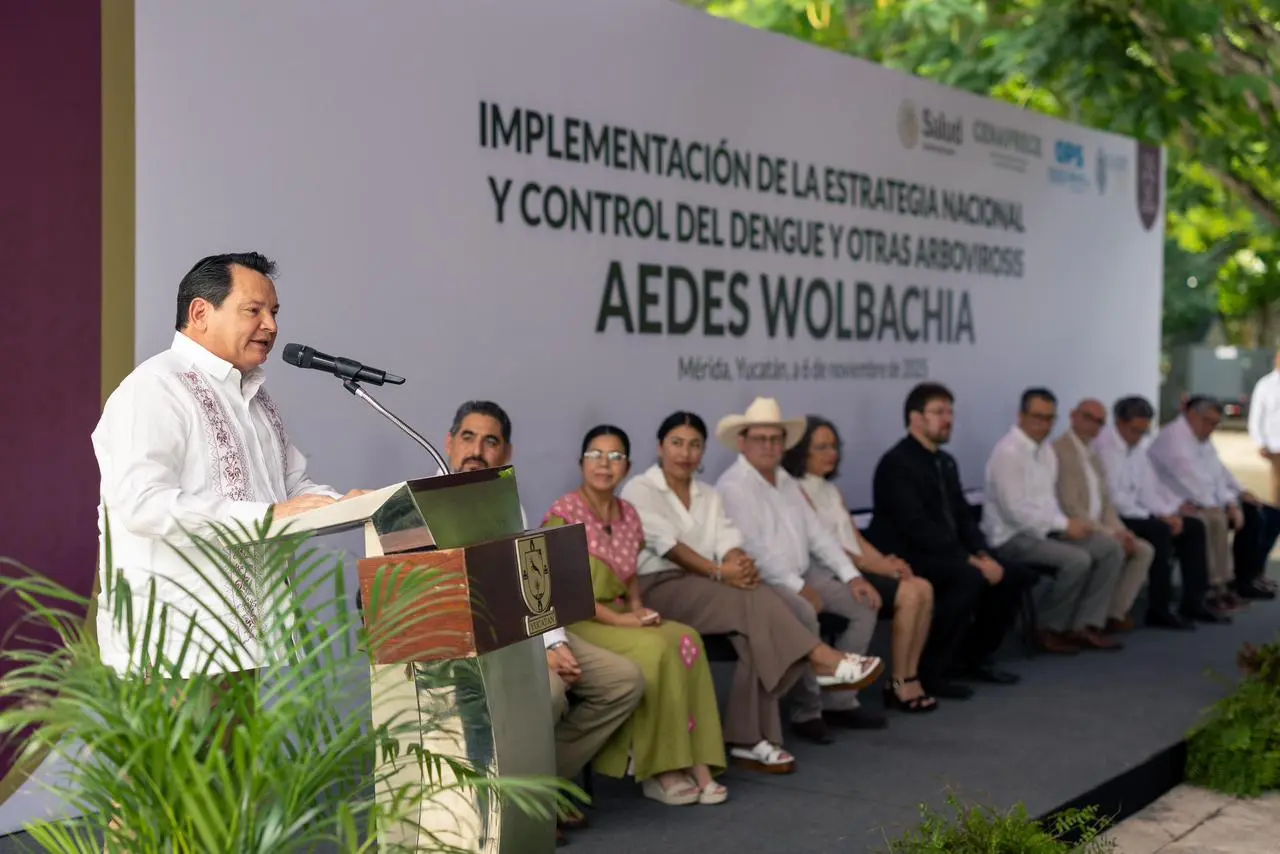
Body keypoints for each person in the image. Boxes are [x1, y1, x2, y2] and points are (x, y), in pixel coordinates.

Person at [93, 251, 363, 680]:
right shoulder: (153, 388)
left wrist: (349, 504)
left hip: (241, 646)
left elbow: (291, 488)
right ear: (200, 313)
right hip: (174, 651)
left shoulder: (255, 397)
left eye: (274, 312)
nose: (271, 326)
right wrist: (268, 517)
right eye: (254, 311)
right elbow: (143, 504)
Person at [621, 412, 880, 774]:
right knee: (756, 599)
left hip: (709, 585)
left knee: (758, 626)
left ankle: (748, 740)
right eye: (676, 443)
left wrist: (736, 562)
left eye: (695, 445)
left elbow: (728, 538)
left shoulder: (708, 494)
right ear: (660, 447)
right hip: (661, 586)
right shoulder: (640, 489)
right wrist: (720, 571)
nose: (685, 453)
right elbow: (668, 546)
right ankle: (823, 658)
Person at [443, 401, 644, 839]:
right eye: (468, 437)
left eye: (491, 441)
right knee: (548, 693)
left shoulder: (505, 503)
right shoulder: (423, 503)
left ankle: (539, 789)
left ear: (506, 453)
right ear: (450, 443)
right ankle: (525, 806)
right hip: (470, 645)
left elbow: (533, 585)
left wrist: (554, 644)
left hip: (525, 634)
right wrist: (540, 653)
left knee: (624, 681)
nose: (477, 450)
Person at [543, 425, 727, 807]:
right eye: (595, 455)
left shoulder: (629, 514)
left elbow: (630, 579)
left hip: (618, 616)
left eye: (615, 457)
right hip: (580, 619)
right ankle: (658, 768)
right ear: (581, 463)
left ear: (627, 467)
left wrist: (637, 609)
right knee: (655, 648)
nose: (604, 464)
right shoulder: (564, 513)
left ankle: (698, 760)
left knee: (686, 637)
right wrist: (622, 621)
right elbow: (560, 591)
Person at [715, 397, 887, 745]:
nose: (769, 446)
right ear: (743, 442)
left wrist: (851, 575)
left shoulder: (786, 480)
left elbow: (818, 534)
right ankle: (808, 711)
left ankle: (839, 700)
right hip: (765, 582)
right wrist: (797, 586)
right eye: (760, 439)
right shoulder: (732, 486)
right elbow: (753, 550)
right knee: (805, 613)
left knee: (863, 604)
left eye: (775, 439)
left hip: (805, 573)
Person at [867, 382, 1035, 692]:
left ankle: (972, 657)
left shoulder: (946, 462)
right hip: (910, 557)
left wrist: (982, 554)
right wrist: (969, 560)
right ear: (916, 418)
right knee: (967, 578)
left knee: (1012, 575)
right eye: (939, 412)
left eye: (950, 412)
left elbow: (963, 518)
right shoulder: (897, 464)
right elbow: (916, 528)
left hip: (948, 553)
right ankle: (931, 670)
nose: (948, 419)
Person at [782, 416, 939, 712]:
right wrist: (875, 567)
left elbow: (855, 538)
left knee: (923, 587)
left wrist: (885, 561)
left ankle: (906, 677)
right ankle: (893, 685)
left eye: (834, 446)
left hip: (856, 567)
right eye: (821, 447)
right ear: (801, 452)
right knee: (909, 593)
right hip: (831, 572)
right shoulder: (796, 491)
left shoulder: (832, 491)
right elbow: (826, 546)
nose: (832, 453)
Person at [981, 388, 1125, 654]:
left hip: (1044, 531)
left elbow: (1049, 503)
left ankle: (1084, 625)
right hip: (1011, 537)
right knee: (1077, 560)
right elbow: (1016, 513)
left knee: (1109, 549)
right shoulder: (1008, 453)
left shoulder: (1046, 450)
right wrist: (1063, 526)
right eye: (1037, 417)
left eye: (1049, 418)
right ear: (1021, 416)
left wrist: (1065, 526)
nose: (1044, 424)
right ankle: (1046, 628)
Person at [1092, 395, 1223, 628]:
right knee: (1160, 531)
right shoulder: (1103, 448)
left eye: (1144, 431)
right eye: (1135, 430)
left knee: (1193, 526)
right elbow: (1115, 500)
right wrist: (1157, 517)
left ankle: (1194, 602)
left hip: (1138, 512)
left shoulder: (1138, 446)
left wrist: (1169, 513)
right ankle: (1159, 609)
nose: (1139, 436)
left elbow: (1148, 489)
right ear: (1120, 422)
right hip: (1114, 517)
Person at [1148, 395, 1280, 604]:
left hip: (1201, 500)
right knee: (1216, 519)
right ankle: (1216, 585)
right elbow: (1195, 483)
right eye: (1208, 422)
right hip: (1176, 503)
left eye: (1215, 424)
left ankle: (1245, 578)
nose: (1211, 428)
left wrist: (1239, 493)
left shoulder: (1199, 436)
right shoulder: (1175, 440)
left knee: (1259, 512)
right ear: (1192, 415)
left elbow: (1218, 471)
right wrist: (1227, 505)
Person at [1052, 399, 1155, 633]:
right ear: (1074, 416)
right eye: (1088, 418)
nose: (1094, 426)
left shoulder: (1092, 452)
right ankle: (1087, 623)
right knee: (1112, 548)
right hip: (1072, 529)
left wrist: (1121, 531)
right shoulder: (1061, 450)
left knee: (1143, 549)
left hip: (1097, 526)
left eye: (1099, 422)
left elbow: (1106, 504)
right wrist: (1111, 534)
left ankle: (1113, 613)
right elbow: (1070, 506)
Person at [1248, 349, 1280, 516]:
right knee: (1277, 485)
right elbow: (1256, 416)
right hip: (1275, 445)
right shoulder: (1265, 385)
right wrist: (1260, 442)